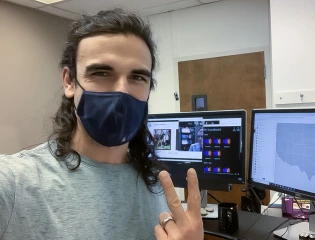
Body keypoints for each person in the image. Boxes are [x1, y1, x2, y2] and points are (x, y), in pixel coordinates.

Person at [0, 8, 203, 240]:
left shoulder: (156, 182)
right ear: (69, 81)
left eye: (137, 77)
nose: (122, 91)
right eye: (101, 73)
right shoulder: (15, 184)